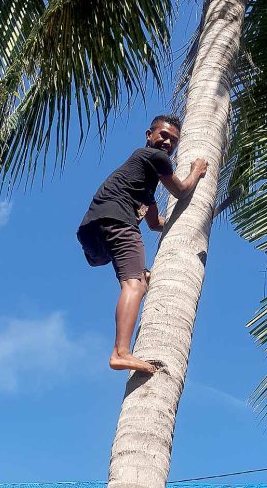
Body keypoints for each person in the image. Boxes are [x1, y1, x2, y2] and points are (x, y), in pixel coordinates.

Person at [77, 115, 208, 375]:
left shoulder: (142, 181)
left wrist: (192, 219)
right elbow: (181, 191)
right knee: (134, 285)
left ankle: (142, 279)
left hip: (94, 233)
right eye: (163, 135)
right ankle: (121, 353)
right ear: (149, 134)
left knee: (140, 279)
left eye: (173, 140)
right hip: (118, 221)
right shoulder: (156, 158)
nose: (167, 142)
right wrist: (197, 171)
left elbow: (154, 223)